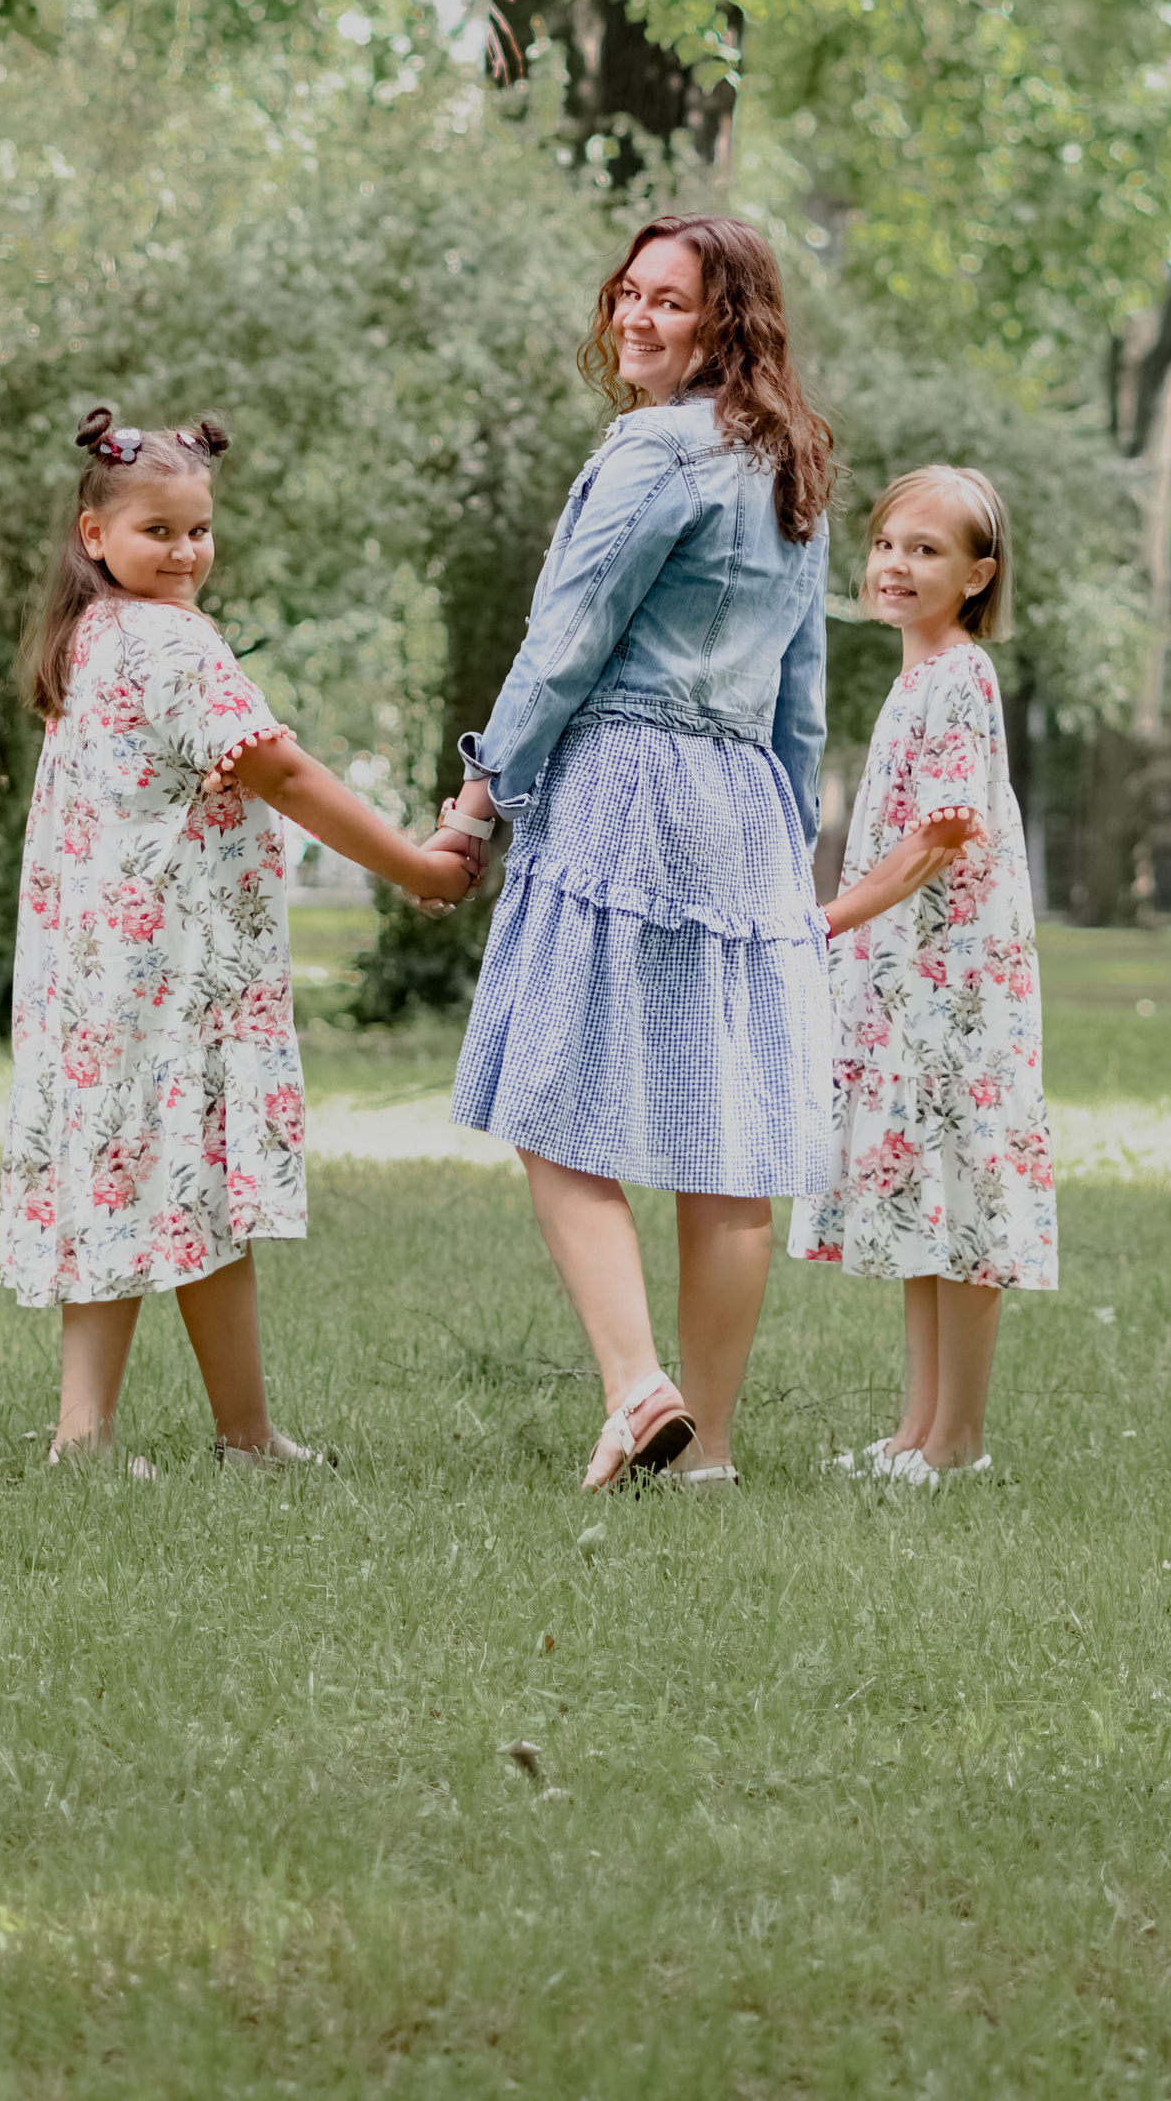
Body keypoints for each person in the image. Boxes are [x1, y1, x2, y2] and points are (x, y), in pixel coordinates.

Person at [432, 215, 835, 1493]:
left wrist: (481, 790)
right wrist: (789, 825)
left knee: (550, 1096)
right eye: (630, 294)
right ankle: (702, 1453)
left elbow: (568, 639)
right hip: (743, 808)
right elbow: (802, 694)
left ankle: (636, 1387)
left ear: (731, 324)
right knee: (729, 1132)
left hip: (626, 785)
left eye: (672, 302)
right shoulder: (792, 463)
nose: (637, 319)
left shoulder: (656, 451)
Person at [0, 407, 472, 1469]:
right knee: (176, 1182)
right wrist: (418, 867)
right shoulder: (168, 641)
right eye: (157, 531)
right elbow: (283, 771)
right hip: (173, 967)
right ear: (94, 535)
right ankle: (172, 1434)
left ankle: (164, 1434)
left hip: (96, 971)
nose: (185, 553)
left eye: (198, 530)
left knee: (136, 1179)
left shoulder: (89, 640)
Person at [792, 465, 1057, 1485]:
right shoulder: (917, 678)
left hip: (958, 989)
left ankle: (958, 1442)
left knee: (967, 1200)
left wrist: (825, 919)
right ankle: (913, 1430)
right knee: (923, 1206)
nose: (896, 566)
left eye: (928, 551)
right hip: (910, 984)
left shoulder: (959, 677)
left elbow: (945, 833)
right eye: (889, 545)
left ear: (977, 575)